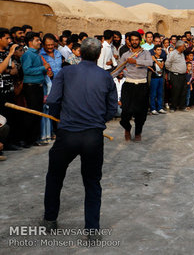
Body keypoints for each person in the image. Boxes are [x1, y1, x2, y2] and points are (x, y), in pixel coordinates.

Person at [41, 38, 117, 238]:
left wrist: (60, 121)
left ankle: (50, 219)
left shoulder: (66, 72)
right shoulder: (105, 77)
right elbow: (111, 109)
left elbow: (53, 100)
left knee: (55, 176)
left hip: (67, 134)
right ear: (99, 54)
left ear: (79, 53)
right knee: (92, 182)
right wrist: (97, 120)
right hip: (93, 136)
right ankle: (92, 230)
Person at [115, 31, 152, 142]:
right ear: (129, 42)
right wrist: (107, 77)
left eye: (137, 40)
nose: (135, 42)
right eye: (132, 40)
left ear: (140, 41)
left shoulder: (145, 53)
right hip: (129, 85)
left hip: (142, 85)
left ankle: (138, 132)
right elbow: (118, 69)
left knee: (141, 113)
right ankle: (127, 128)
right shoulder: (125, 55)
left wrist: (135, 61)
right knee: (125, 112)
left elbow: (150, 63)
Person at [165, 41, 187, 112]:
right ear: (180, 46)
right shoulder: (173, 54)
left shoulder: (182, 54)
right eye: (183, 46)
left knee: (183, 91)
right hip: (175, 75)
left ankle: (182, 106)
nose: (184, 47)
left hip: (183, 75)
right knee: (175, 92)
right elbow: (167, 64)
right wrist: (172, 70)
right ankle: (173, 107)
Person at [149, 45, 166, 115]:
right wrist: (150, 68)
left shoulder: (162, 58)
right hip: (154, 78)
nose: (159, 51)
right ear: (154, 50)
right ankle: (153, 108)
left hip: (160, 78)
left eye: (160, 50)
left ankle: (160, 108)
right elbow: (147, 64)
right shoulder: (151, 58)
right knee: (153, 94)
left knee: (160, 93)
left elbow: (161, 66)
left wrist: (155, 60)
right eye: (158, 49)